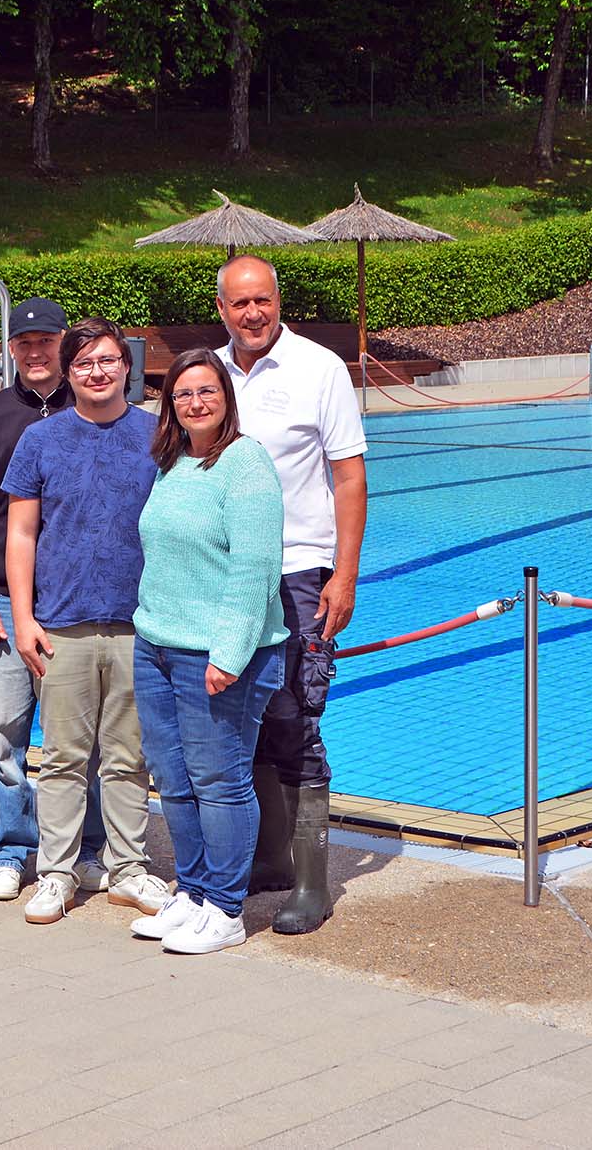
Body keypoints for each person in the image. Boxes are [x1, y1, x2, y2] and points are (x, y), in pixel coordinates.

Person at [215, 254, 367, 935]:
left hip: (299, 569)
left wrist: (344, 573)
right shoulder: (212, 372)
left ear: (279, 301)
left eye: (263, 300)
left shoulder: (319, 368)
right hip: (227, 573)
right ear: (222, 309)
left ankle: (312, 884)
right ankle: (270, 859)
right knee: (240, 715)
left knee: (296, 719)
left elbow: (349, 478)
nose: (253, 313)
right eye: (240, 303)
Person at [2, 318, 171, 925]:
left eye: (106, 361)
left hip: (138, 624)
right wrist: (23, 617)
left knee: (128, 757)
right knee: (63, 758)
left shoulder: (158, 435)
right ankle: (57, 872)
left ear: (126, 366)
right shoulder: (40, 439)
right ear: (68, 373)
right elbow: (21, 534)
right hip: (62, 623)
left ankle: (128, 869)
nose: (96, 372)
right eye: (83, 364)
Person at [127, 348, 288, 955]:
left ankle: (226, 907)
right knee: (173, 778)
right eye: (183, 394)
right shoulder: (173, 462)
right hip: (158, 646)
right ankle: (193, 892)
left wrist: (230, 654)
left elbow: (254, 569)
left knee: (219, 780)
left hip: (216, 655)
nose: (195, 403)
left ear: (226, 398)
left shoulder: (246, 464)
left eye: (207, 391)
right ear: (170, 404)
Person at [0, 298, 109, 903]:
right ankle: (12, 848)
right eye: (24, 344)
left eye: (46, 341)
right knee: (4, 735)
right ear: (10, 350)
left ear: (63, 344)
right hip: (4, 598)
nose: (35, 352)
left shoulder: (93, 407)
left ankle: (89, 847)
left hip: (76, 602)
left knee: (84, 736)